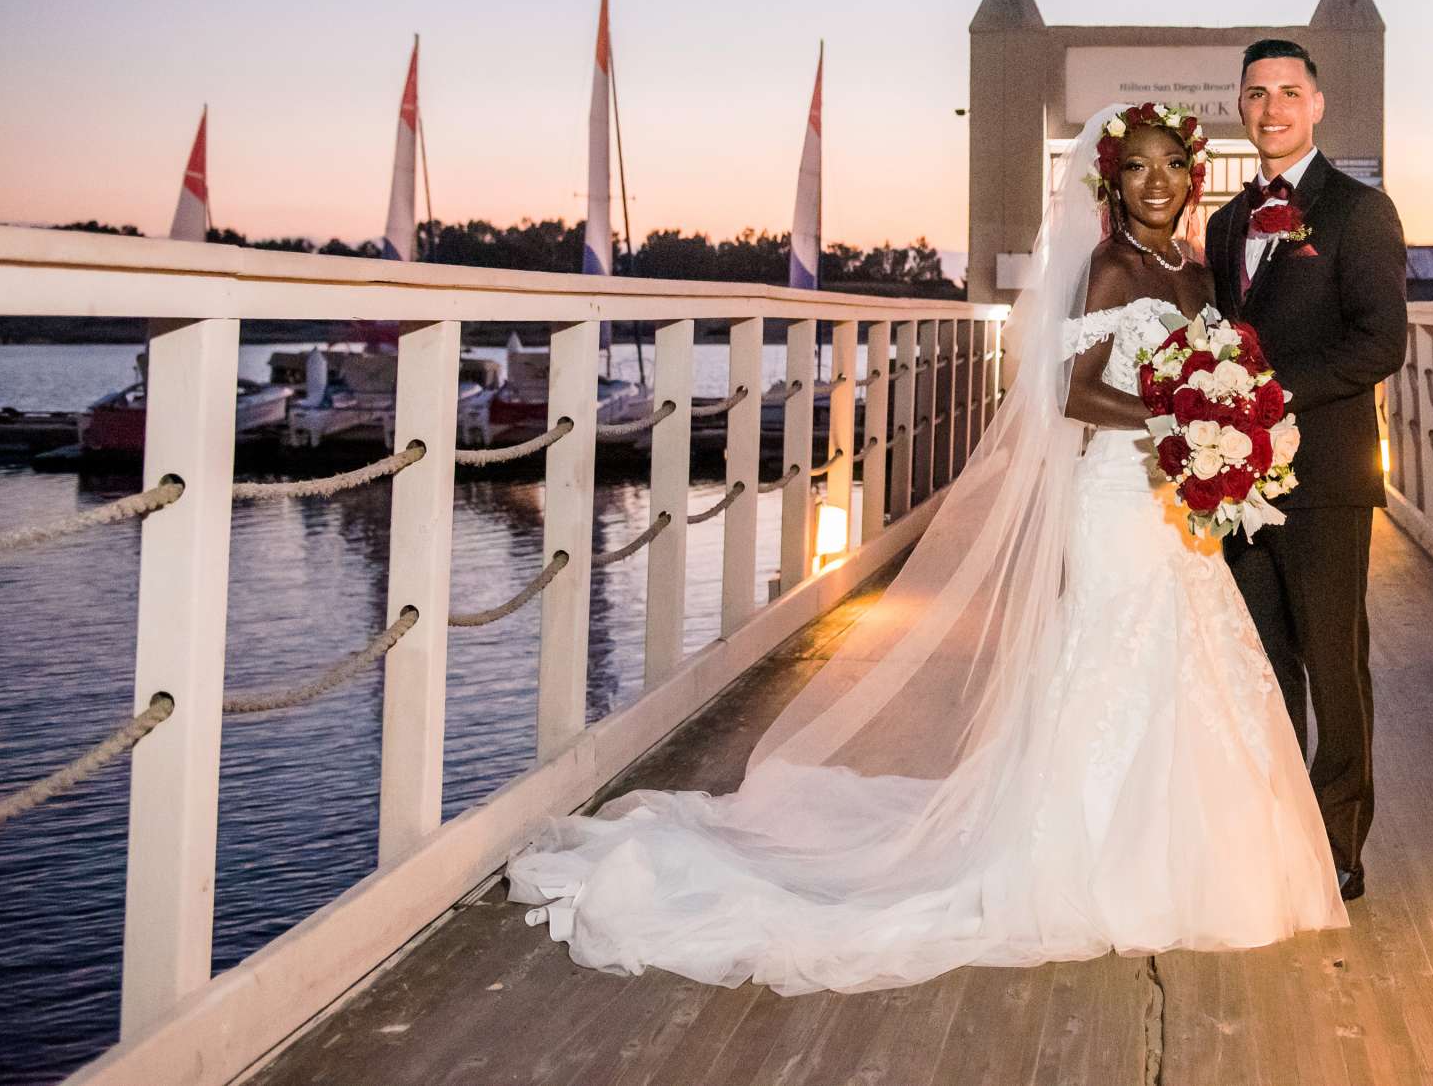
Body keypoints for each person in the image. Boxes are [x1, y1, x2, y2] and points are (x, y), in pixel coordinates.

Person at [506, 104, 1344, 993]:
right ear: (1111, 182)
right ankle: (1087, 860)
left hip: (1174, 499)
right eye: (1134, 169)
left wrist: (1230, 422)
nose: (1155, 183)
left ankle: (1192, 856)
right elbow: (1072, 394)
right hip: (1116, 496)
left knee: (1193, 661)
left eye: (1169, 165)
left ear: (1190, 173)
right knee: (1113, 656)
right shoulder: (1110, 267)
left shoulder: (1193, 267)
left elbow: (1216, 365)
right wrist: (1187, 417)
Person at [1204, 39, 1408, 902]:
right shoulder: (1222, 224)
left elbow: (1379, 342)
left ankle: (1338, 841)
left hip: (1324, 475)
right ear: (1241, 108)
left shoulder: (1361, 212)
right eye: (1257, 94)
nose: (1273, 108)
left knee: (1334, 660)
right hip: (1236, 485)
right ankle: (1278, 824)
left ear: (1317, 104)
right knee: (1261, 659)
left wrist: (1268, 398)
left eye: (1290, 92)